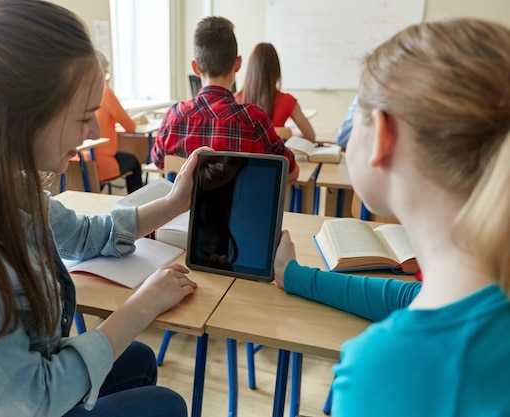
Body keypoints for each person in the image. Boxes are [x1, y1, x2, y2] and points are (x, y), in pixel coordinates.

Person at [0, 1, 205, 416]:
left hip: (4, 390)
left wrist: (176, 201)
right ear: (19, 119)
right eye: (84, 116)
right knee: (164, 406)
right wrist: (141, 306)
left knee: (139, 359)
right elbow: (31, 401)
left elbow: (90, 235)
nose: (95, 131)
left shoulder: (7, 184)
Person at [273, 18, 510, 416]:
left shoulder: (384, 369)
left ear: (382, 134)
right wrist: (295, 275)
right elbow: (412, 297)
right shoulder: (480, 287)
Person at [150, 16, 299, 182]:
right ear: (238, 64)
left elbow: (159, 162)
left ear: (196, 68)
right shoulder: (254, 120)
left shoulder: (174, 116)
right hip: (239, 208)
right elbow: (291, 171)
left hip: (184, 209)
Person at [86, 52, 143, 194]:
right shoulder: (105, 93)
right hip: (101, 164)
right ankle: (136, 205)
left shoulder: (77, 93)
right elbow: (131, 127)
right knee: (135, 162)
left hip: (79, 164)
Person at [235, 42, 316, 141]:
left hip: (245, 156)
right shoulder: (287, 101)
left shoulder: (235, 100)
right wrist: (288, 132)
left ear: (250, 71)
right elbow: (310, 135)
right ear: (276, 71)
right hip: (276, 156)